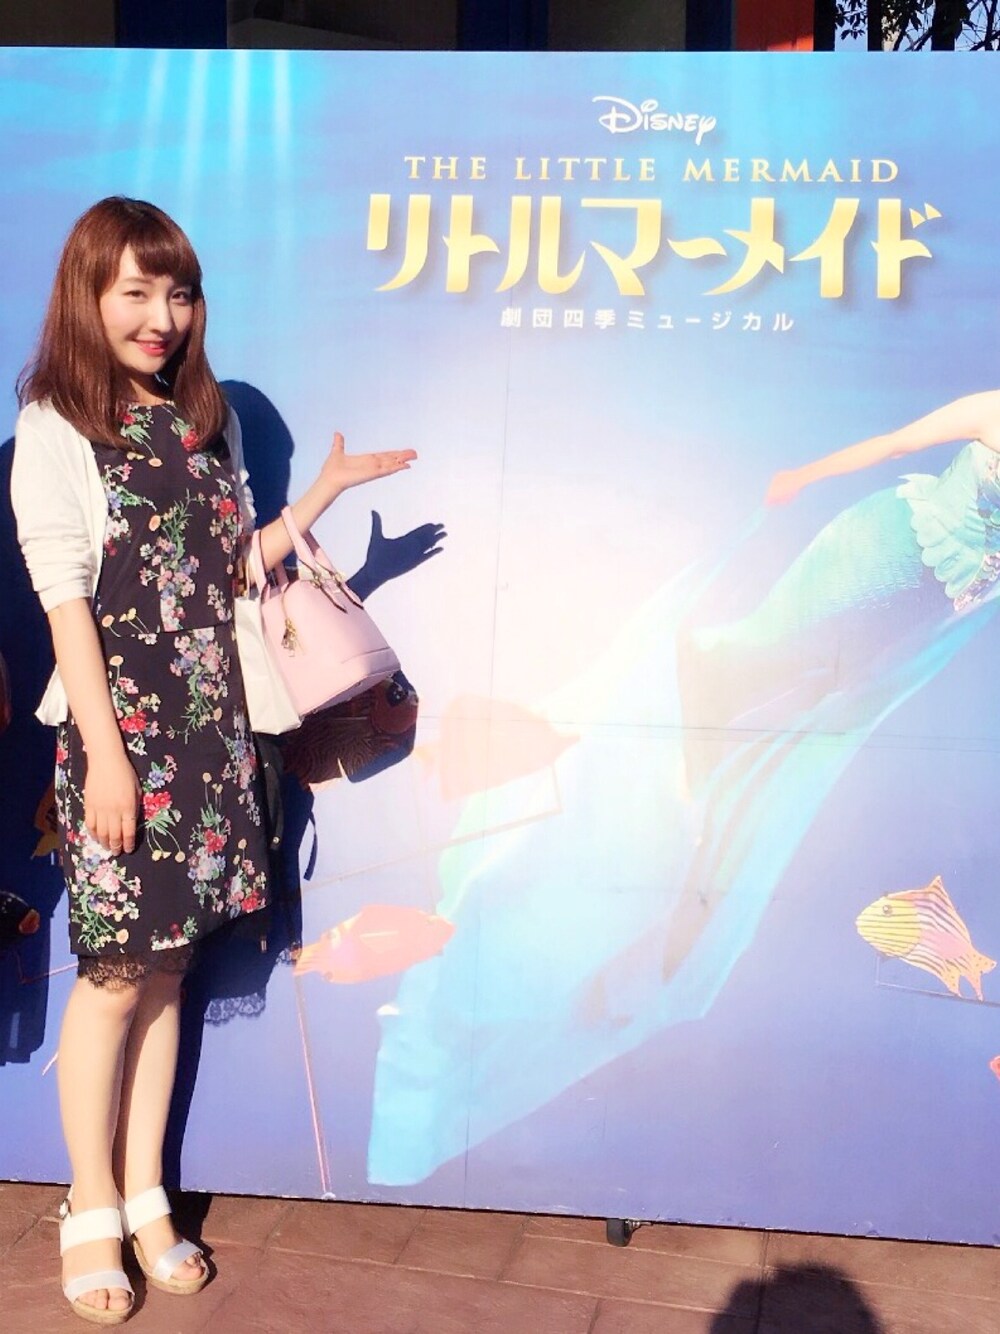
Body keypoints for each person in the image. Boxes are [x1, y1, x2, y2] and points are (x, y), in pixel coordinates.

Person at [9, 197, 415, 1324]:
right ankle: (90, 1203)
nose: (162, 316)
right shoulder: (55, 424)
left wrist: (321, 497)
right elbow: (64, 602)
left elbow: (232, 571)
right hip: (120, 736)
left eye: (178, 293)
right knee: (111, 976)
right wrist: (104, 759)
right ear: (88, 295)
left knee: (168, 973)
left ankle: (146, 1195)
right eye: (136, 291)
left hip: (212, 730)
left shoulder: (206, 420)